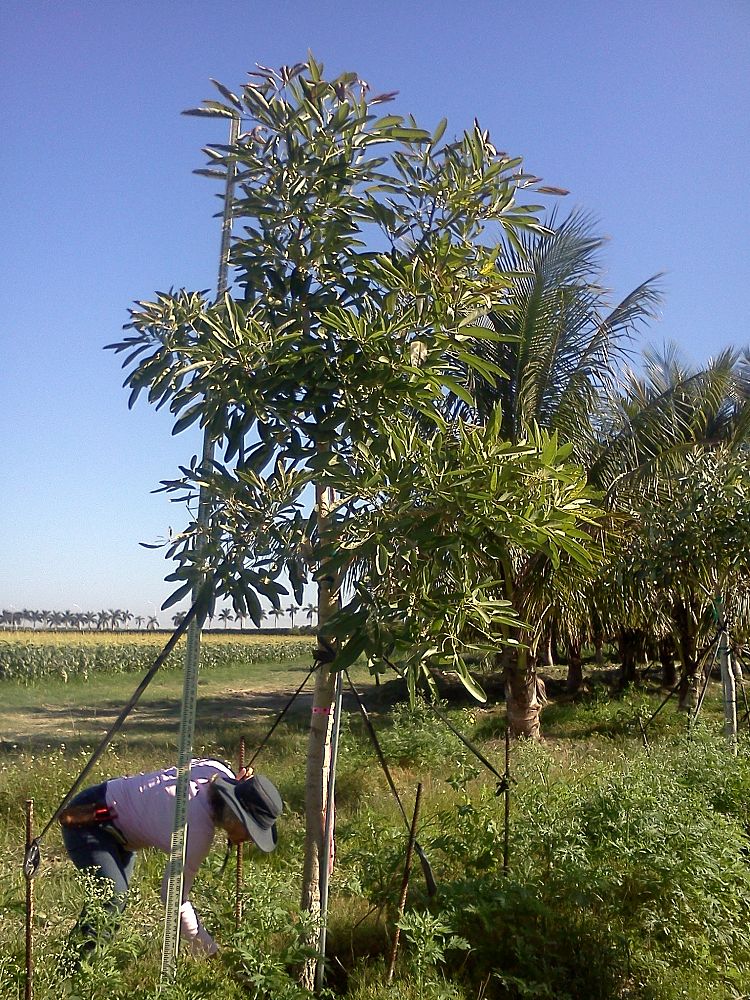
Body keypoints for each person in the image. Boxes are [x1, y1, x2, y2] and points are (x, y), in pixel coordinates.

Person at [59, 758, 283, 958]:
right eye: (251, 831)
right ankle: (71, 975)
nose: (251, 840)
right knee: (112, 899)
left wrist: (238, 786)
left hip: (114, 818)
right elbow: (174, 898)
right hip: (89, 817)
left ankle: (84, 967)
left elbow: (215, 779)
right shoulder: (194, 832)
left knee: (112, 906)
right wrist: (207, 950)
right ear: (236, 817)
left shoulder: (217, 769)